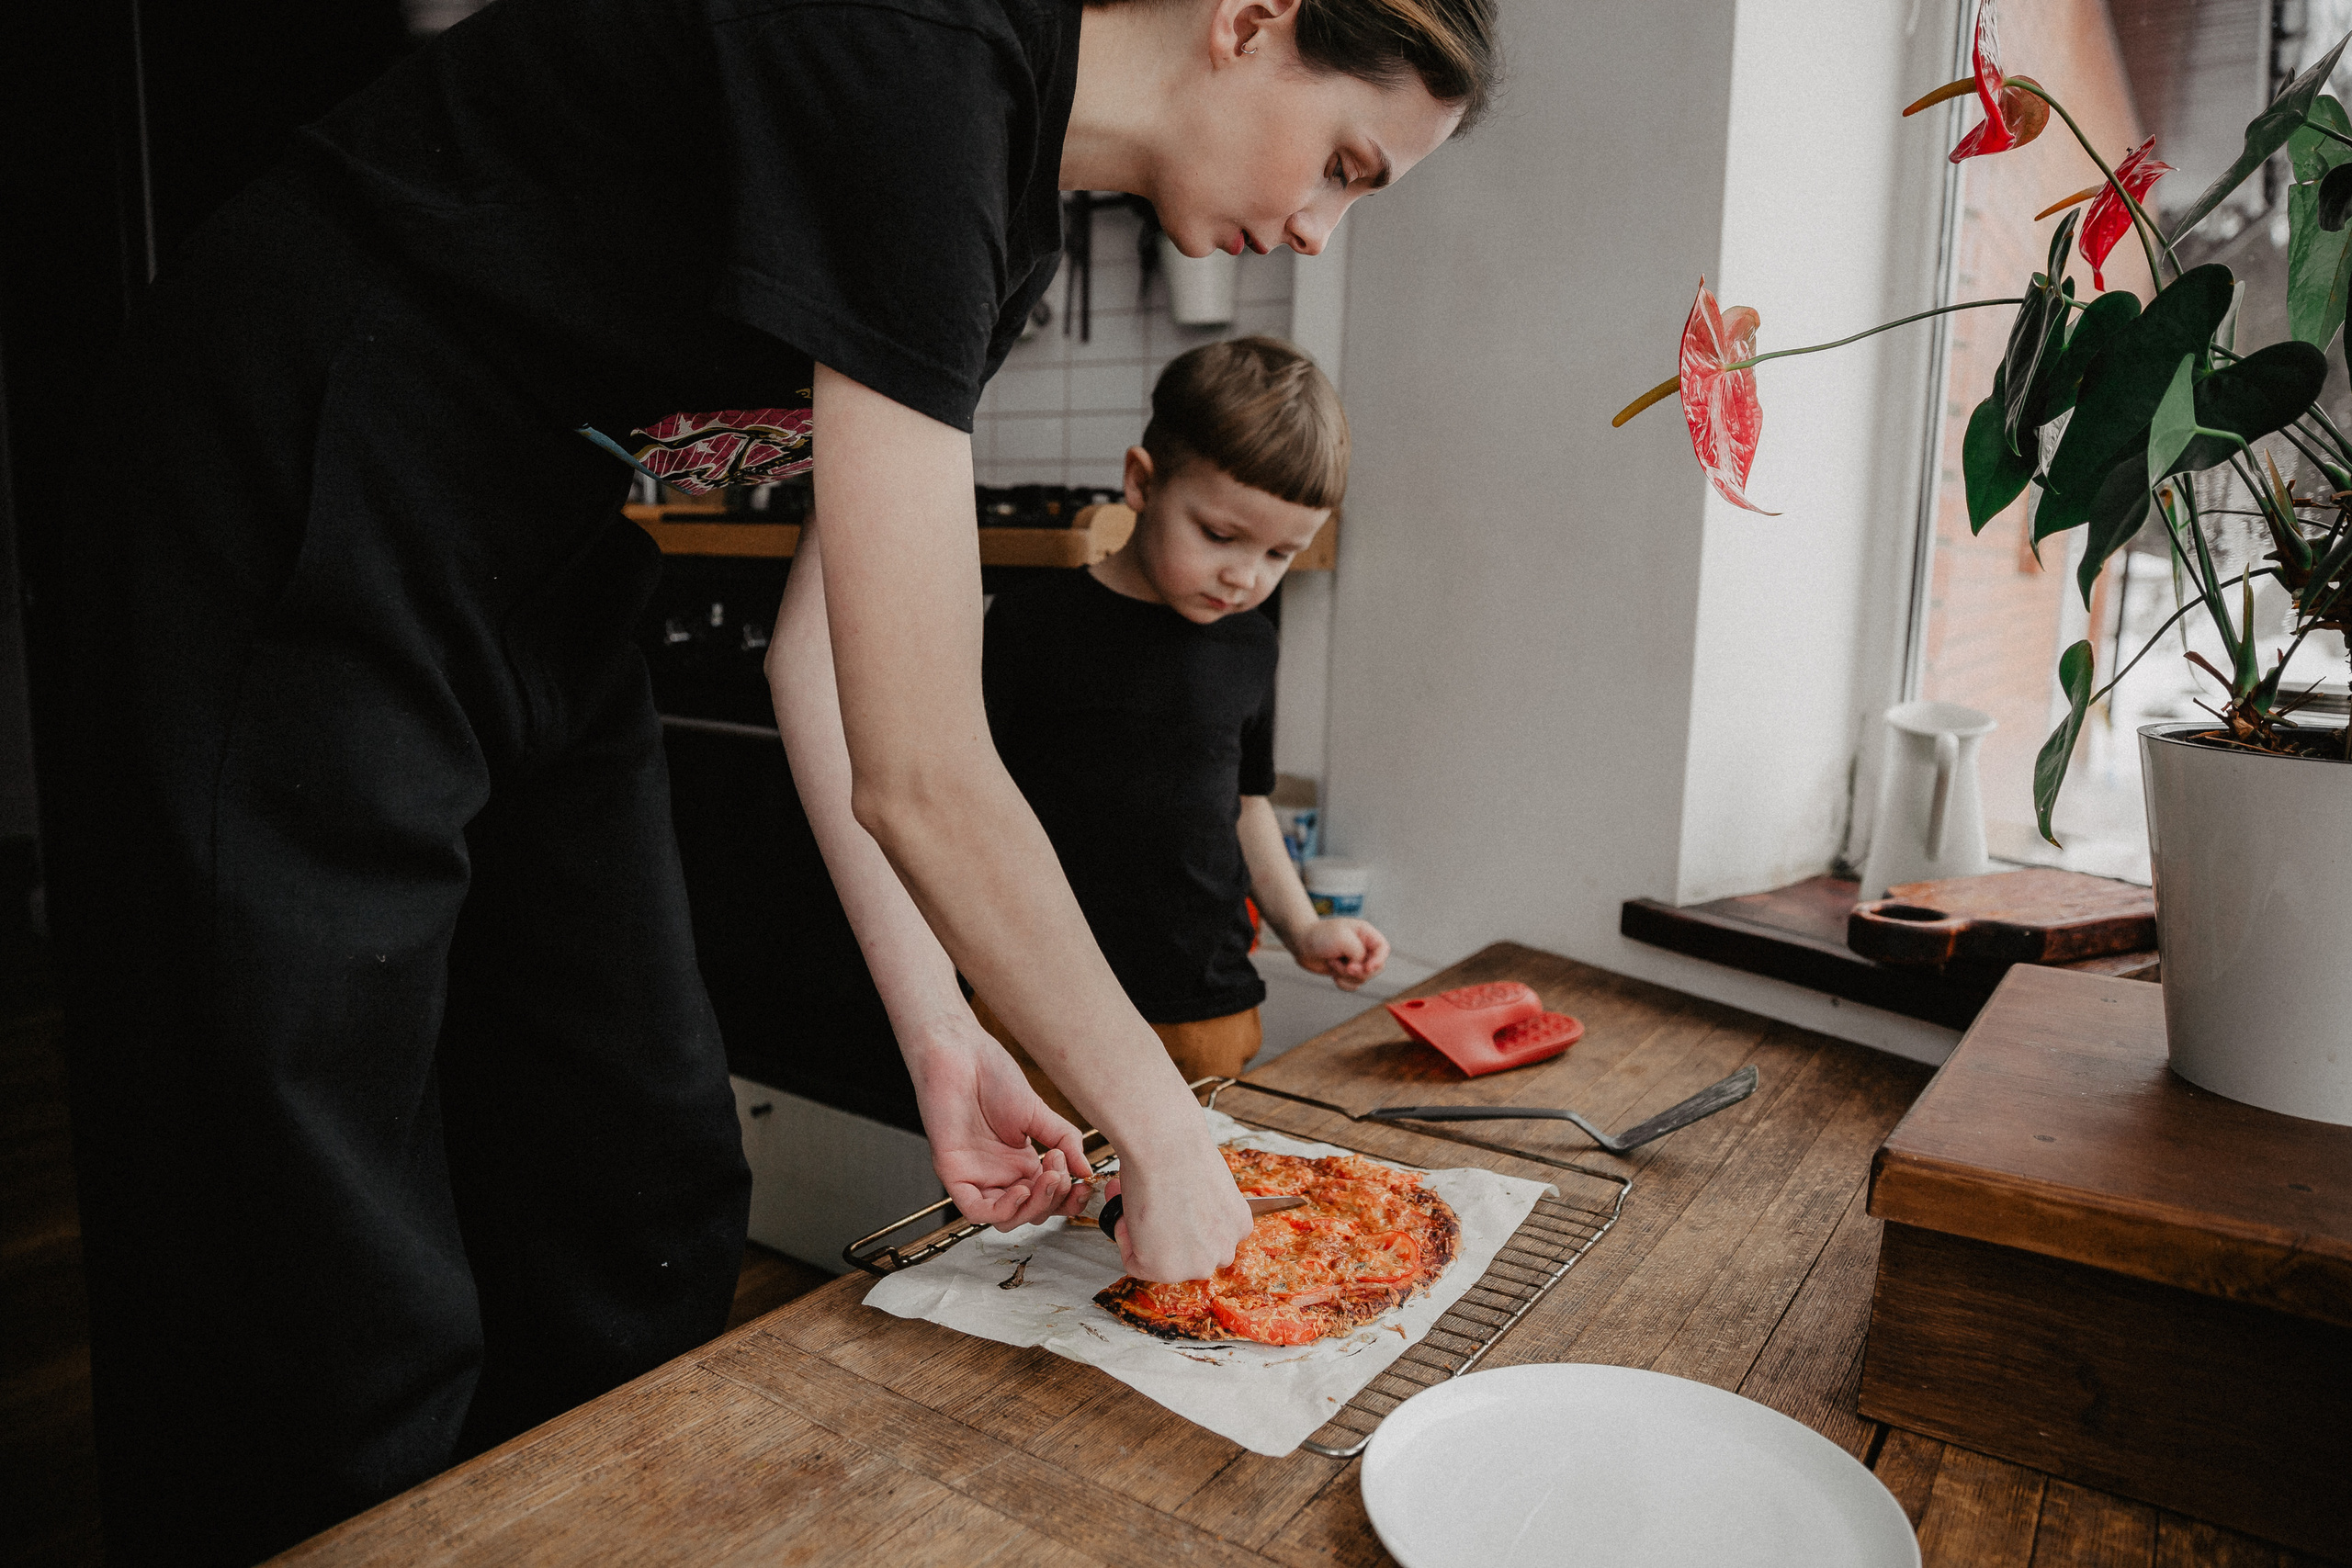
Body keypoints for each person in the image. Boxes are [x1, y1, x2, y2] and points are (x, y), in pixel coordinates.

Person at [46, 0, 1495, 1559]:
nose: (1321, 232)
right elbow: (929, 768)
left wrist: (942, 1037)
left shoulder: (1004, 230)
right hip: (301, 455)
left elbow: (829, 662)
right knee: (307, 1240)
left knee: (642, 1171)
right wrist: (1163, 1127)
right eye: (1346, 163)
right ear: (1253, 18)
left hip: (539, 547)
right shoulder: (916, 56)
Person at [957, 337, 1390, 1122]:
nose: (1246, 576)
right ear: (1141, 482)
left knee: (1193, 1221)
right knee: (1016, 1219)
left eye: (1279, 553)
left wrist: (1301, 927)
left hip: (1203, 1005)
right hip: (1037, 1001)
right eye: (1220, 536)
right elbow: (960, 802)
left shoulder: (1252, 642)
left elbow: (1246, 801)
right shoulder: (1032, 623)